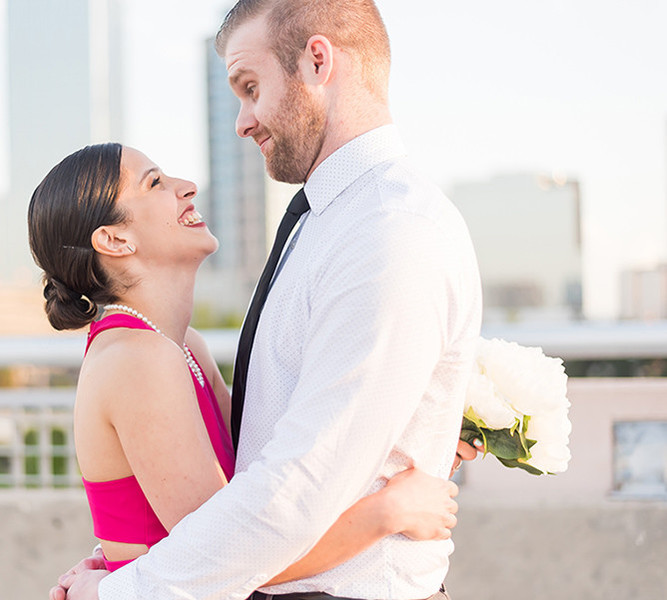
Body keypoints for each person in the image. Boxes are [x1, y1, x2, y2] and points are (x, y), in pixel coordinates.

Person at [56, 0, 483, 598]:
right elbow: (269, 453)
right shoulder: (328, 219)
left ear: (316, 61)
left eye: (251, 87)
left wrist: (124, 585)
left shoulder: (386, 231)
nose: (242, 121)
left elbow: (295, 487)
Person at [28, 142, 462, 593]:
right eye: (154, 182)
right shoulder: (138, 359)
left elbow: (266, 474)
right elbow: (232, 557)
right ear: (115, 239)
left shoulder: (178, 345)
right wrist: (388, 512)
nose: (187, 187)